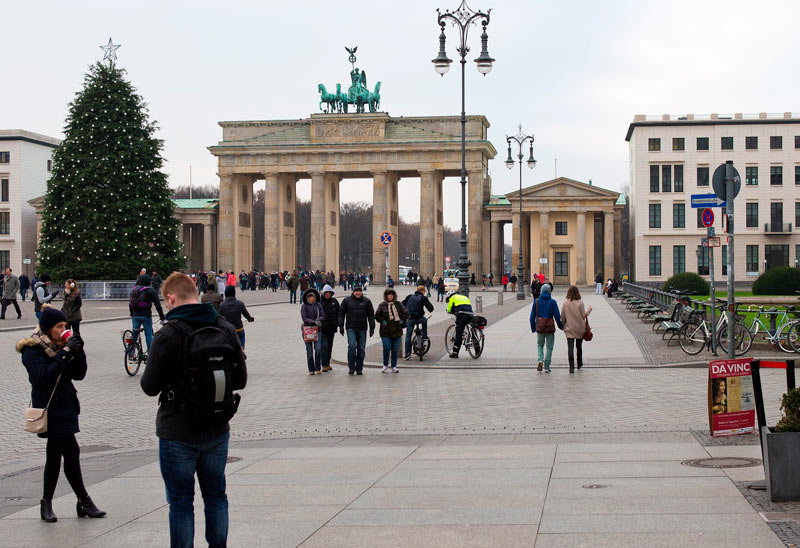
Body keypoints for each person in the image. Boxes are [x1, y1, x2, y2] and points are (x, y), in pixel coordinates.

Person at [141, 272, 247, 548]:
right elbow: (242, 380)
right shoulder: (223, 327)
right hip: (216, 428)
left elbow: (149, 386)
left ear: (171, 298)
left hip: (177, 432)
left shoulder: (167, 333)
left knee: (180, 503)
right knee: (216, 496)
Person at [18, 304, 105, 523]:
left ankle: (47, 503)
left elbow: (79, 375)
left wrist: (78, 351)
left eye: (65, 326)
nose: (63, 330)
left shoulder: (61, 345)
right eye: (59, 326)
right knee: (71, 451)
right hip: (49, 409)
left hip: (66, 406)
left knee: (54, 455)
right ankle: (84, 500)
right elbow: (44, 376)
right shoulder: (32, 349)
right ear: (48, 328)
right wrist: (65, 353)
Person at [337, 285, 375, 375]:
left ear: (361, 292)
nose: (358, 292)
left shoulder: (367, 301)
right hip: (351, 328)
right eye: (356, 291)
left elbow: (371, 315)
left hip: (362, 328)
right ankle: (351, 367)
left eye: (359, 291)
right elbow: (341, 313)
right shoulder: (347, 300)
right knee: (352, 346)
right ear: (353, 292)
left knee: (361, 349)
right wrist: (341, 325)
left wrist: (372, 327)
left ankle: (359, 368)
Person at [530, 284, 563, 373]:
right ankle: (547, 366)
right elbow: (557, 316)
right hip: (549, 328)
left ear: (541, 290)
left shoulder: (536, 301)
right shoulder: (553, 302)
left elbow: (532, 316)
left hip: (540, 327)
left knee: (540, 345)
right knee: (549, 347)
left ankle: (540, 360)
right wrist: (561, 326)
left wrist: (533, 328)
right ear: (549, 291)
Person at [129, 273, 165, 353]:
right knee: (148, 334)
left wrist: (132, 314)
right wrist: (162, 317)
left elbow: (130, 304)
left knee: (134, 333)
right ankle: (150, 353)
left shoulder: (134, 290)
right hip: (146, 315)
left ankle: (130, 352)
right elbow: (157, 305)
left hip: (135, 315)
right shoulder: (150, 290)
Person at [375, 288, 408, 373]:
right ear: (386, 296)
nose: (390, 296)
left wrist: (402, 320)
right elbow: (377, 315)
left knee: (395, 349)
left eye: (392, 294)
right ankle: (385, 365)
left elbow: (406, 313)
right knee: (387, 347)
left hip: (397, 330)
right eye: (389, 294)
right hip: (385, 331)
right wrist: (383, 321)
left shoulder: (399, 304)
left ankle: (394, 366)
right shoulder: (382, 305)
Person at [561, 285, 592, 373]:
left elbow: (562, 316)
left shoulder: (565, 302)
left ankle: (571, 366)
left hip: (569, 328)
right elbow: (583, 315)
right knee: (579, 346)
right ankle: (579, 363)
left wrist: (563, 325)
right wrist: (589, 310)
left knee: (570, 347)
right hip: (579, 328)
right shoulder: (580, 302)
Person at [403, 285, 434, 360]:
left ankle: (407, 354)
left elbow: (402, 305)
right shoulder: (423, 298)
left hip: (410, 319)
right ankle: (424, 336)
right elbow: (431, 308)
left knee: (408, 336)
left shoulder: (409, 296)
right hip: (419, 318)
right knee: (424, 320)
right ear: (423, 291)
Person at [300, 288, 325, 375]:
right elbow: (304, 317)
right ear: (307, 298)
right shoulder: (304, 306)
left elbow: (323, 315)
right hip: (307, 330)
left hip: (317, 330)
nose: (311, 298)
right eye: (310, 297)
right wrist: (312, 321)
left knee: (318, 349)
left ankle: (318, 367)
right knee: (309, 351)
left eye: (312, 297)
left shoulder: (318, 305)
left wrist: (318, 320)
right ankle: (311, 369)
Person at [445, 290, 473, 359]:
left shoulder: (452, 298)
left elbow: (449, 308)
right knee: (471, 329)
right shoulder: (464, 297)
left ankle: (455, 353)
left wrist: (449, 311)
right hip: (470, 314)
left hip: (462, 315)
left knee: (459, 333)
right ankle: (477, 349)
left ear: (449, 296)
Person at [319, 284, 340, 372]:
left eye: (329, 293)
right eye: (326, 293)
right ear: (323, 293)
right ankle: (323, 364)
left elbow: (339, 313)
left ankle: (327, 363)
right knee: (324, 346)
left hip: (332, 327)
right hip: (322, 328)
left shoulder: (334, 301)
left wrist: (338, 323)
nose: (328, 294)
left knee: (329, 346)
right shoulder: (319, 302)